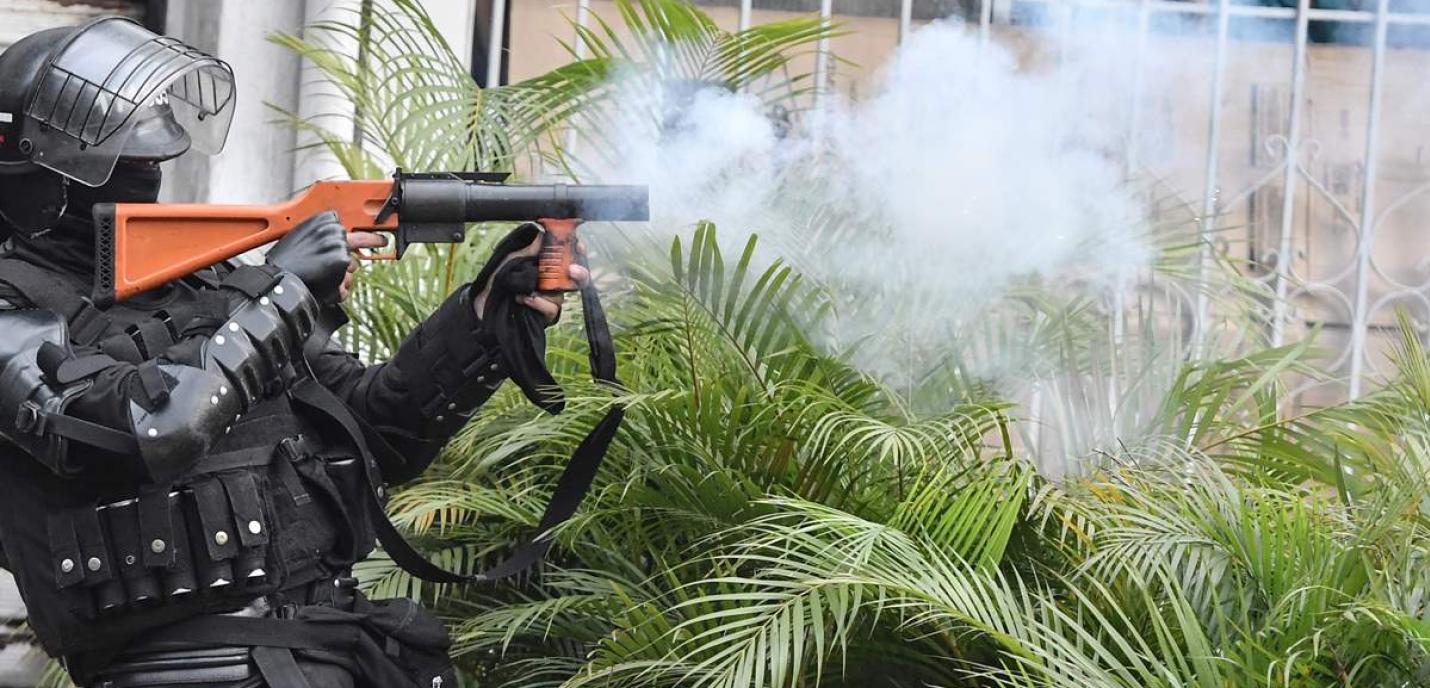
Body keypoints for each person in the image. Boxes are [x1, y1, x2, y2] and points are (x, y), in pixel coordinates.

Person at [0, 17, 582, 687]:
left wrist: (485, 317)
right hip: (183, 670)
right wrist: (283, 290)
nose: (147, 172)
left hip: (328, 649)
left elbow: (379, 431)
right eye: (119, 161)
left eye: (149, 158)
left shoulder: (214, 289)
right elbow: (155, 428)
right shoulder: (14, 311)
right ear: (39, 173)